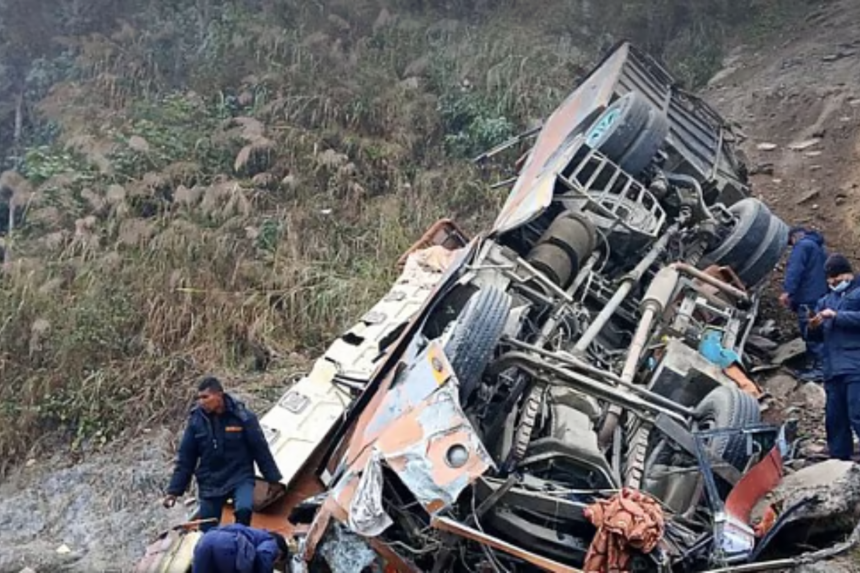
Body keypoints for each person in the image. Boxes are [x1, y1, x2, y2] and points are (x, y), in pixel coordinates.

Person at [163, 376, 283, 531]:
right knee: (207, 529)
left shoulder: (242, 417)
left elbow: (260, 449)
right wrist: (174, 491)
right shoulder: (196, 422)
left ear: (219, 395)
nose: (201, 402)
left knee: (244, 510)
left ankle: (240, 541)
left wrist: (272, 479)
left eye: (206, 397)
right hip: (211, 481)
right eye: (199, 398)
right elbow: (186, 458)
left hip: (240, 475)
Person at [807, 254, 860, 460]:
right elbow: (815, 337)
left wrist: (837, 316)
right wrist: (812, 327)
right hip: (832, 370)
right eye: (830, 279)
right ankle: (840, 462)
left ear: (848, 273)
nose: (833, 283)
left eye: (837, 278)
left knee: (858, 414)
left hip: (855, 367)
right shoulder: (824, 301)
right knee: (835, 419)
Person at [779, 226, 828, 381]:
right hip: (820, 296)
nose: (791, 245)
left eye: (790, 242)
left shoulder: (802, 246)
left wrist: (787, 292)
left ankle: (819, 369)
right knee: (819, 331)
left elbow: (795, 270)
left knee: (812, 333)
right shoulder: (818, 247)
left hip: (808, 297)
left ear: (794, 237)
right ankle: (816, 365)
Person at [192, 523, 290, 573]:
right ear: (280, 552)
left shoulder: (250, 532)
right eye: (276, 562)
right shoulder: (271, 542)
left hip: (205, 540)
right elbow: (263, 553)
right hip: (228, 549)